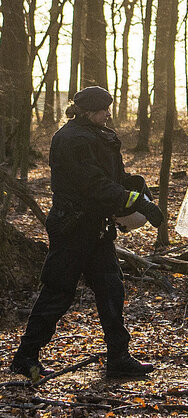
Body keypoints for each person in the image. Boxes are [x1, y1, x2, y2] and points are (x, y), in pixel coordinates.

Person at [10, 86, 163, 379]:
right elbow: (94, 185)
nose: (108, 114)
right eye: (104, 109)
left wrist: (135, 184)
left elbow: (111, 179)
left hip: (96, 228)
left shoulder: (98, 135)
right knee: (58, 291)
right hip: (72, 228)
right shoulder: (72, 140)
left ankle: (118, 357)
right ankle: (25, 357)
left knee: (111, 289)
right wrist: (135, 201)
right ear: (89, 111)